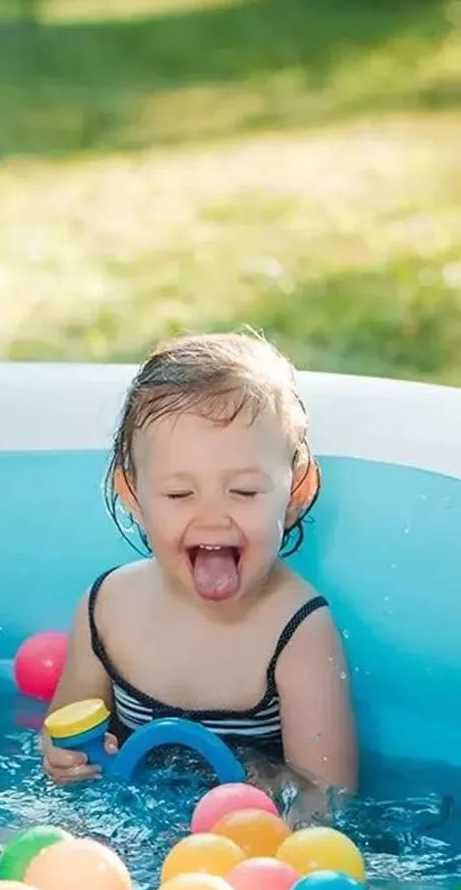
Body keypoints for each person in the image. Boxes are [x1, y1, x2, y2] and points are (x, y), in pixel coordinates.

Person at [41, 331, 358, 798]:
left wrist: (266, 787)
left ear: (297, 492)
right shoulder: (106, 609)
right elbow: (61, 734)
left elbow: (330, 798)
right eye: (179, 494)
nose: (212, 516)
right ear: (133, 496)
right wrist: (62, 758)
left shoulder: (298, 631)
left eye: (245, 492)